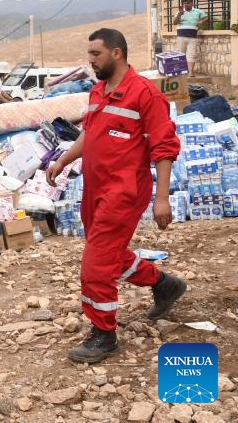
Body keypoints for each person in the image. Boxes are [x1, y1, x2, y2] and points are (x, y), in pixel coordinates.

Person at [45, 28, 185, 364]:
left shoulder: (144, 94)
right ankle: (164, 284)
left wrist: (162, 197)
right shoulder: (98, 91)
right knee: (107, 253)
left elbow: (164, 147)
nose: (90, 61)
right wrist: (63, 159)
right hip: (95, 187)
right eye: (90, 54)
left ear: (117, 53)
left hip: (123, 191)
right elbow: (90, 134)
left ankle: (103, 335)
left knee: (95, 264)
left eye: (96, 54)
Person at [172, 0, 208, 69]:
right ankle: (182, 70)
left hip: (192, 37)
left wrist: (201, 22)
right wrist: (179, 15)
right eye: (185, 3)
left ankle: (191, 72)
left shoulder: (198, 11)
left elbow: (206, 17)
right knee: (181, 54)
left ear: (192, 3)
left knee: (191, 55)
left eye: (188, 3)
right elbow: (174, 23)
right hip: (181, 37)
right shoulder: (179, 13)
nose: (186, 5)